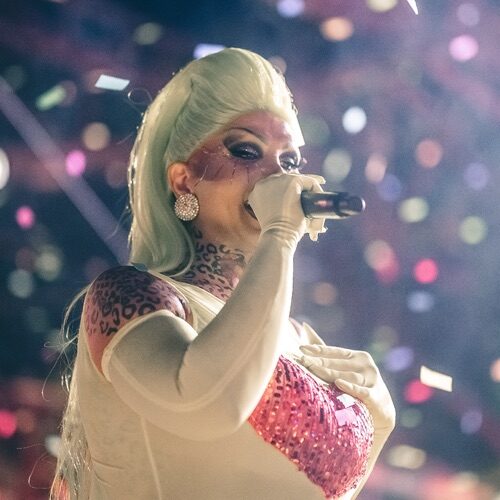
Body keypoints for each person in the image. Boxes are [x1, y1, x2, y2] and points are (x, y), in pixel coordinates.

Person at [50, 47, 395, 500]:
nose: (277, 176)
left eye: (290, 163)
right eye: (247, 151)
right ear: (183, 180)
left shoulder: (302, 339)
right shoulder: (132, 297)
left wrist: (379, 425)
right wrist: (280, 231)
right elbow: (209, 404)